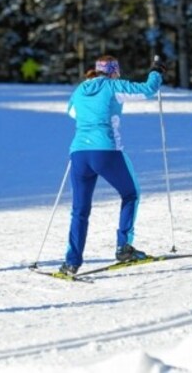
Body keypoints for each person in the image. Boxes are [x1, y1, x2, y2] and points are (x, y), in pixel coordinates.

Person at [57, 56, 163, 277]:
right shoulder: (114, 86)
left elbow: (71, 112)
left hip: (79, 153)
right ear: (113, 71)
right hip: (105, 151)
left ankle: (71, 262)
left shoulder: (80, 89)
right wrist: (156, 70)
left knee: (80, 210)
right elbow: (149, 89)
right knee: (131, 194)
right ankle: (124, 247)